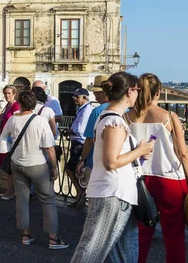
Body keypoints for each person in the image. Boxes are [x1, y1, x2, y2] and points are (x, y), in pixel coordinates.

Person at [71, 72, 155, 263]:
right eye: (137, 90)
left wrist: (138, 152)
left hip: (117, 193)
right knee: (92, 250)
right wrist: (140, 150)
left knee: (124, 253)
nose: (138, 95)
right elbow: (111, 162)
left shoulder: (109, 117)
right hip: (114, 194)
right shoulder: (115, 122)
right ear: (129, 91)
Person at [126, 73, 188, 263]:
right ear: (159, 92)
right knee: (174, 235)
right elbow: (183, 152)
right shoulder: (169, 117)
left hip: (139, 178)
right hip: (170, 178)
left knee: (141, 232)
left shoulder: (127, 117)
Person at [0, 90, 69, 249]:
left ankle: (25, 234)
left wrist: (5, 152)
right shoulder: (40, 121)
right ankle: (53, 238)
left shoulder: (13, 120)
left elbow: (3, 137)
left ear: (21, 103)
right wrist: (54, 168)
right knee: (48, 200)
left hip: (17, 164)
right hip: (38, 164)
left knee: (21, 199)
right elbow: (49, 148)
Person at [75, 75, 110, 187]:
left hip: (96, 161)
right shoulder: (125, 109)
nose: (95, 96)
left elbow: (89, 140)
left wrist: (82, 159)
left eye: (96, 93)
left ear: (103, 93)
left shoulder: (96, 111)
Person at [65, 88, 93, 208]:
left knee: (72, 169)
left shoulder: (86, 110)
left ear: (84, 98)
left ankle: (80, 194)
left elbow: (80, 130)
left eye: (77, 97)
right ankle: (80, 195)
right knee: (76, 170)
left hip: (79, 144)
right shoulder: (83, 109)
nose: (75, 99)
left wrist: (69, 131)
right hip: (77, 143)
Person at [0, 85, 21, 200]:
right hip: (5, 139)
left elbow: (16, 122)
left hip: (11, 141)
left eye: (9, 93)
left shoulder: (16, 106)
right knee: (7, 167)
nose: (7, 95)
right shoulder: (8, 105)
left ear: (14, 94)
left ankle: (11, 191)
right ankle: (9, 190)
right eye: (5, 93)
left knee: (10, 167)